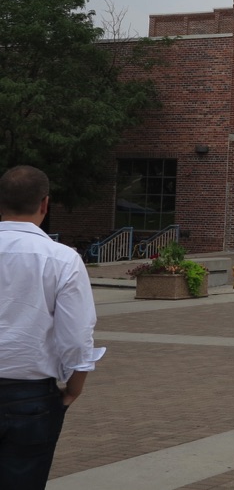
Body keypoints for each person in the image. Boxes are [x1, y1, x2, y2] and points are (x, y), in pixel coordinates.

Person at [1, 165, 105, 489]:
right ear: (45, 204)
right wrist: (74, 389)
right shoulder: (62, 259)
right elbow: (75, 335)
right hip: (29, 396)